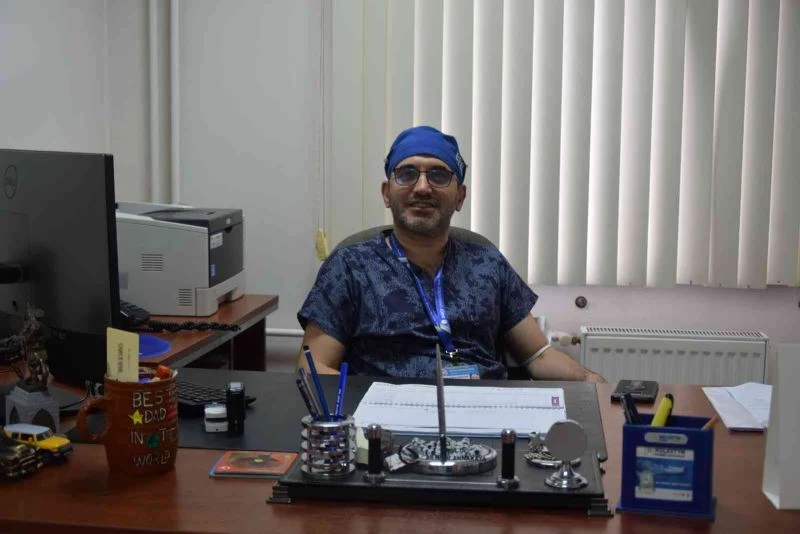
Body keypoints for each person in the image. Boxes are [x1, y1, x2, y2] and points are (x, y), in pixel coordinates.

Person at [297, 125, 604, 383]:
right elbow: (313, 368)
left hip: (482, 411)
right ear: (386, 193)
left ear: (460, 196)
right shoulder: (350, 266)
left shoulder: (486, 262)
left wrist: (591, 381)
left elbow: (538, 355)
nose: (422, 187)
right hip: (386, 418)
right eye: (406, 174)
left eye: (439, 175)